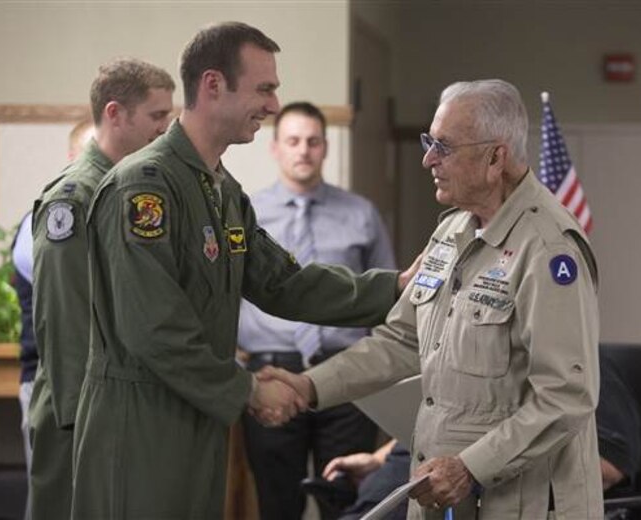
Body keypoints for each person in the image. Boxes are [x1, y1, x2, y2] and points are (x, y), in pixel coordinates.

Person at [72, 21, 413, 519]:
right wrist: (250, 390)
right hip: (141, 423)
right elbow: (156, 329)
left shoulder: (222, 191)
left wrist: (396, 288)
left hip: (199, 415)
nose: (273, 106)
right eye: (265, 89)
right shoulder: (144, 188)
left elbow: (283, 283)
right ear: (213, 85)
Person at [262, 79, 604, 519]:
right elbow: (403, 339)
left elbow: (566, 397)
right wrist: (310, 386)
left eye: (443, 146)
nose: (428, 159)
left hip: (522, 503)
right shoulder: (452, 232)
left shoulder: (549, 248)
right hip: (447, 494)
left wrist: (469, 469)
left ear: (495, 157)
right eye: (429, 142)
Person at [29, 58, 175, 520]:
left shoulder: (126, 189)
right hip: (78, 416)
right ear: (115, 114)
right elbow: (65, 318)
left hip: (116, 411)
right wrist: (85, 424)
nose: (166, 129)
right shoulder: (74, 198)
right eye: (156, 117)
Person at [238, 101, 397, 519]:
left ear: (326, 147)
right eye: (293, 141)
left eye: (312, 141)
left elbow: (390, 297)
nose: (303, 150)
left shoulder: (361, 214)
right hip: (270, 376)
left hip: (347, 376)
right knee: (278, 501)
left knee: (347, 498)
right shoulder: (246, 214)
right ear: (275, 148)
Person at [319, 348, 641, 519]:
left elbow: (608, 465)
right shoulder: (468, 357)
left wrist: (478, 466)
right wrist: (377, 459)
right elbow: (436, 419)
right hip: (384, 500)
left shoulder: (575, 368)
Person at [11, 117, 94, 520]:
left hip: (94, 390)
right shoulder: (49, 219)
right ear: (71, 157)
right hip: (49, 385)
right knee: (54, 504)